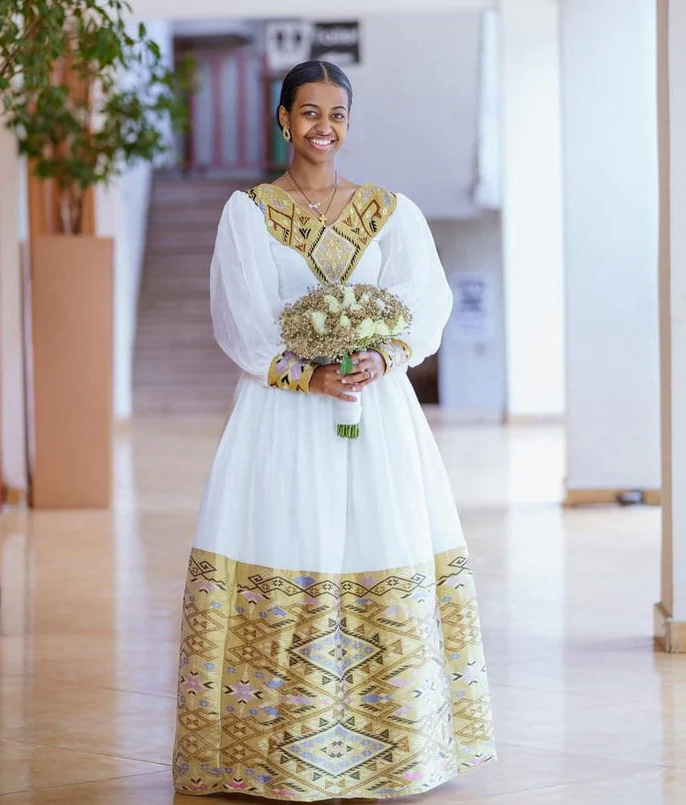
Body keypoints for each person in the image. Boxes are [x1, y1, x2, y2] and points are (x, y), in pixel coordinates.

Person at [173, 60, 496, 800]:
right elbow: (241, 319)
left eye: (338, 114)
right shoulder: (247, 212)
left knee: (380, 536)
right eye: (309, 112)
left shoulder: (391, 210)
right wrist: (305, 373)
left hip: (377, 415)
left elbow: (424, 300)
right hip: (282, 417)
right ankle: (274, 752)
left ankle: (396, 747)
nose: (324, 127)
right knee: (287, 537)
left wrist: (382, 354)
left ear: (349, 123)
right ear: (281, 120)